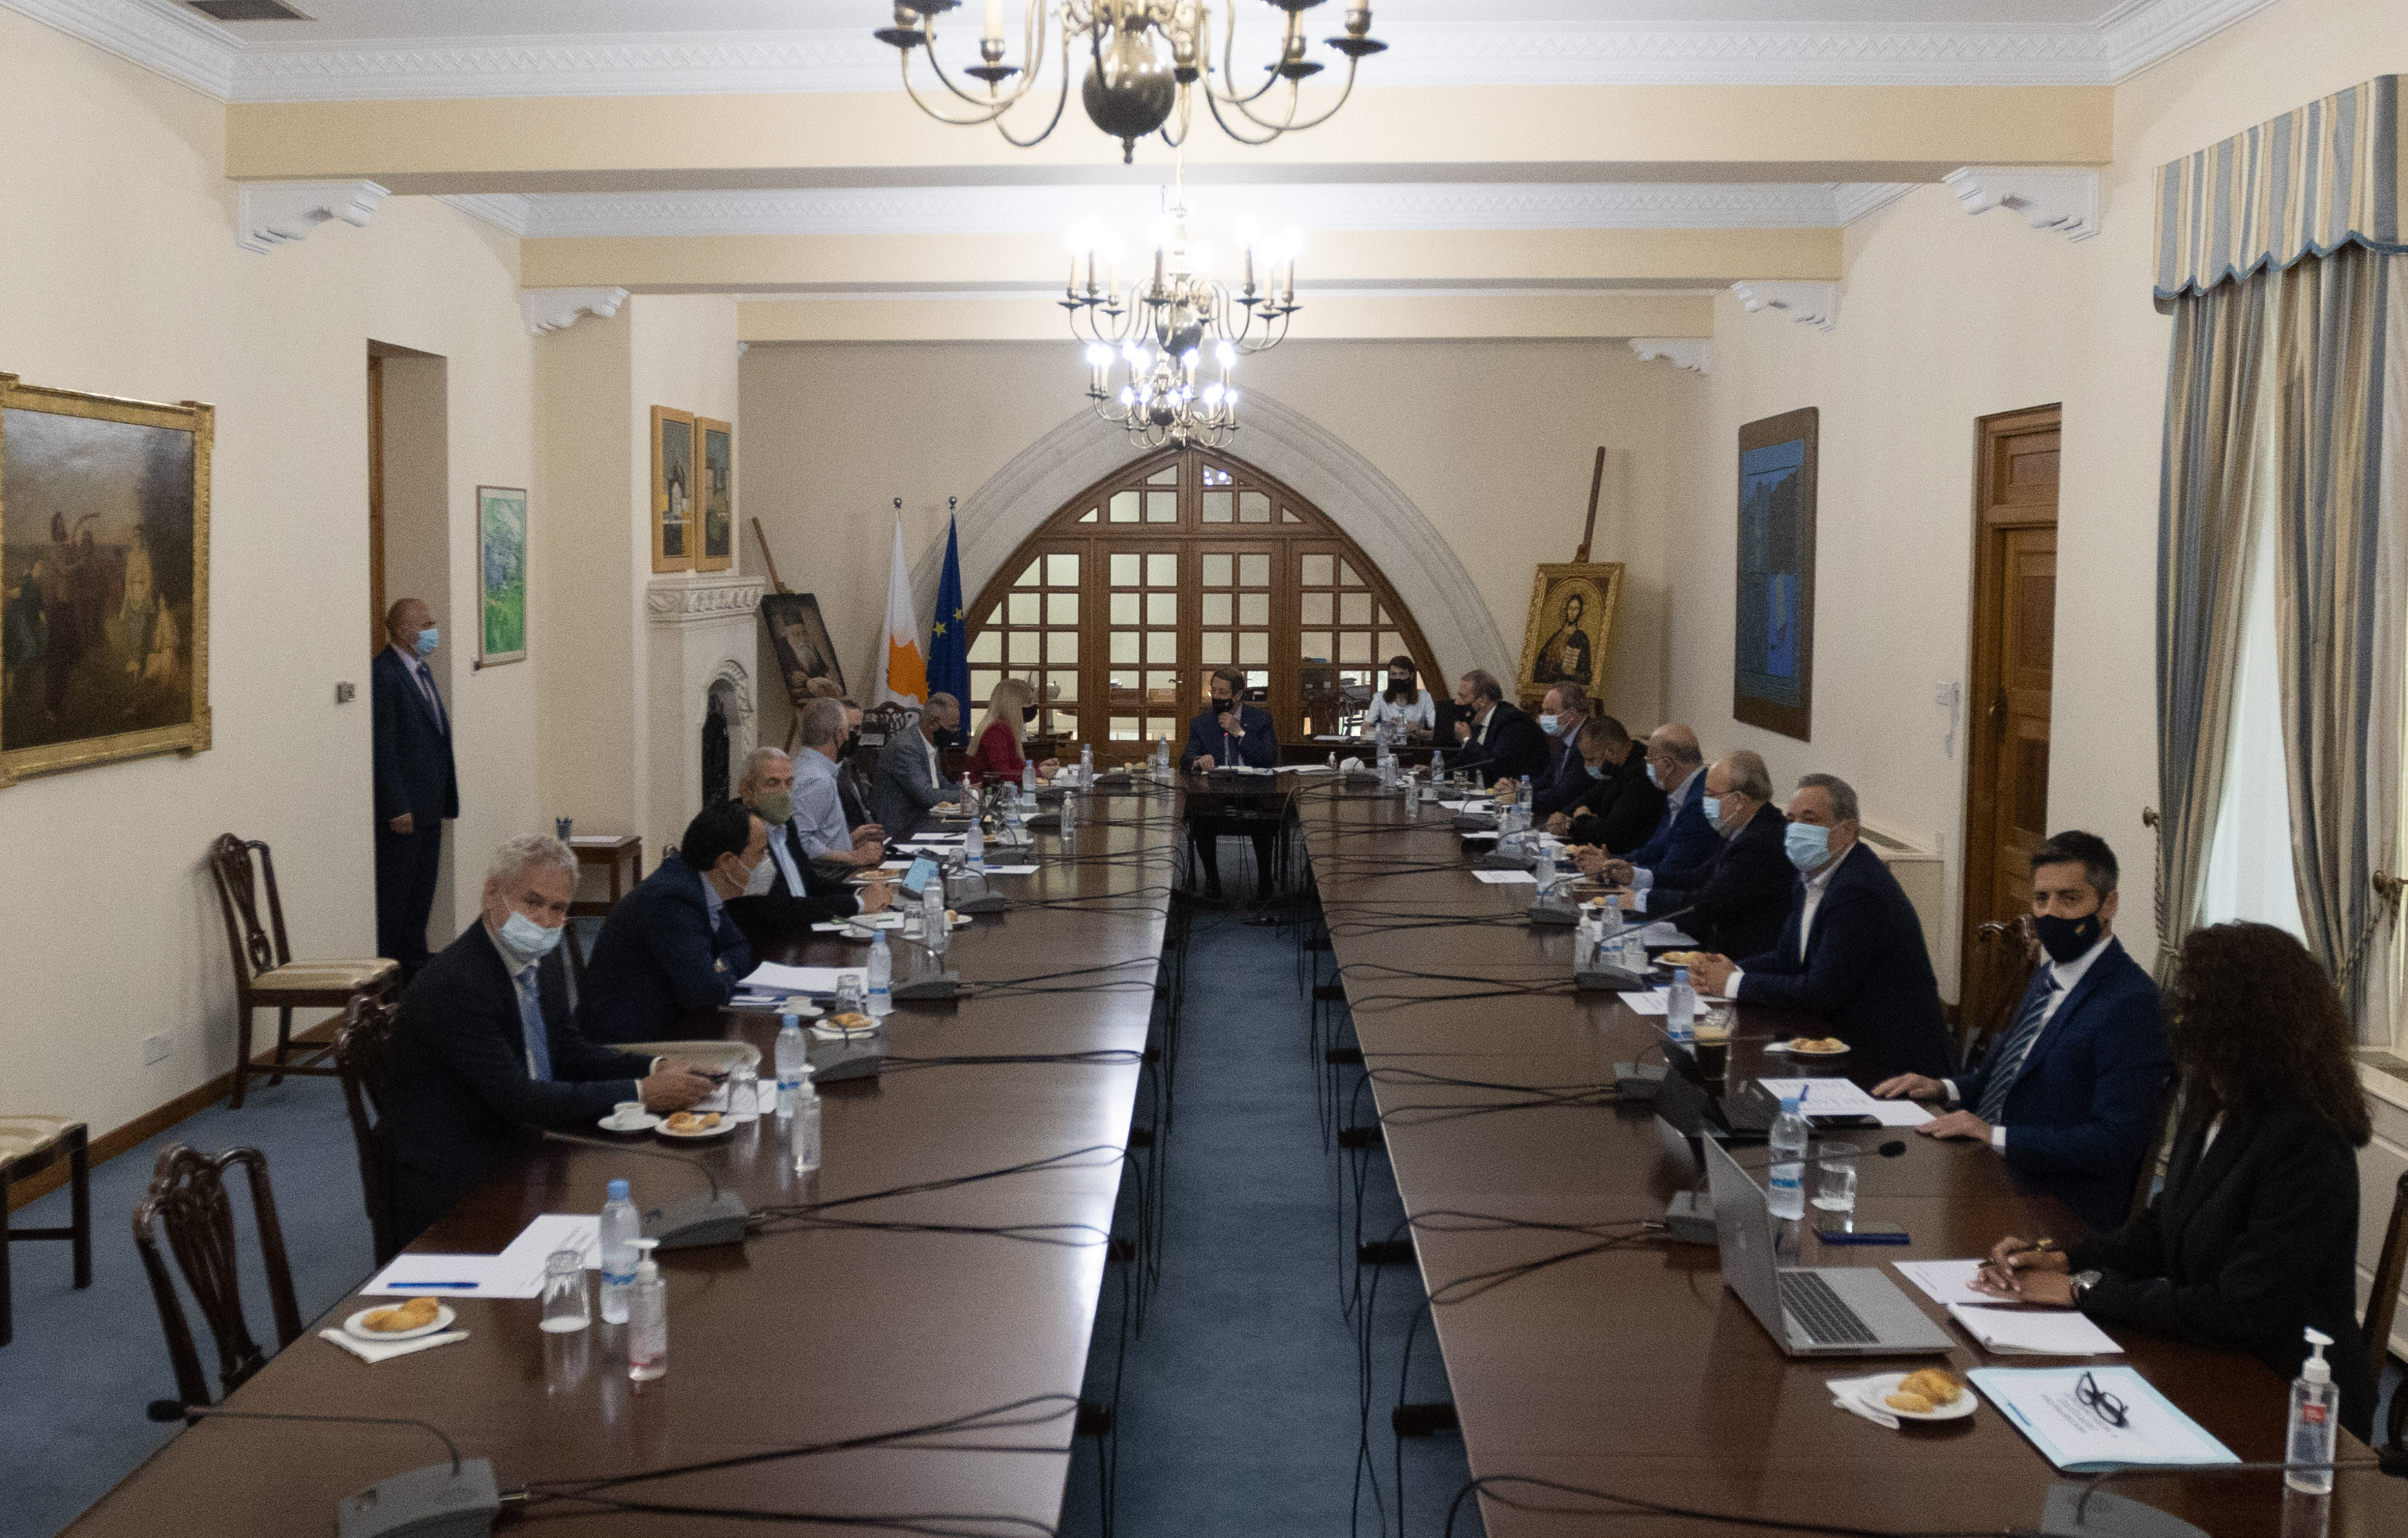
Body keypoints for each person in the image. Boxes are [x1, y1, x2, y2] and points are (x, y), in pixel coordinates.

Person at [1972, 921, 2378, 1442]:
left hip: (2290, 1404)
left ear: (2243, 1023)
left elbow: (2238, 1310)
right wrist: (2063, 1259)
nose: (2175, 1018)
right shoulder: (2215, 1099)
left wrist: (2083, 1291)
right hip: (2213, 1363)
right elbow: (2160, 1229)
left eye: (2191, 1006)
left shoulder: (2307, 1141)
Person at [381, 836, 716, 1246]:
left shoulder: (540, 957)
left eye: (558, 908)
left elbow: (569, 1051)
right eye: (532, 902)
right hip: (458, 1175)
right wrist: (641, 1092)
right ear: (492, 894)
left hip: (522, 1141)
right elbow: (519, 1098)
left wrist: (655, 1066)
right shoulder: (456, 983)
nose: (543, 920)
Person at [1874, 832, 2169, 1232]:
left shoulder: (2132, 1002)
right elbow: (2006, 1078)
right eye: (2041, 899)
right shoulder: (2049, 974)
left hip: (2052, 1201)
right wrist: (1944, 1088)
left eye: (2069, 899)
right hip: (1986, 1165)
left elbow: (2114, 1141)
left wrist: (1996, 1136)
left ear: (2108, 904)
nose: (2051, 913)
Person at [1687, 774, 1953, 1081]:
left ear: (1848, 830)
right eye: (1791, 819)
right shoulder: (1811, 875)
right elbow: (1787, 958)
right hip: (1833, 1041)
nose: (1796, 829)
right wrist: (1732, 968)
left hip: (1890, 1062)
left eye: (1810, 819)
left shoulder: (1859, 890)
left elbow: (1820, 992)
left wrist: (1733, 984)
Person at [577, 800, 763, 1045]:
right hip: (625, 1044)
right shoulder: (673, 898)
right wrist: (719, 968)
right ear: (728, 861)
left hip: (670, 1022)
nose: (766, 861)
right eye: (761, 853)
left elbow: (741, 947)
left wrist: (717, 966)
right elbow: (706, 992)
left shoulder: (704, 886)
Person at [1597, 751, 1790, 960]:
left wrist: (1640, 900)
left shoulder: (1762, 841)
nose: (1704, 801)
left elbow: (1709, 903)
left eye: (1711, 794)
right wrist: (1636, 877)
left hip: (1743, 959)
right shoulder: (1740, 826)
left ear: (1739, 800)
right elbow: (1699, 877)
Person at [722, 746, 891, 954]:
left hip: (804, 935)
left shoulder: (786, 825)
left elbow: (810, 885)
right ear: (746, 790)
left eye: (789, 783)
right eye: (772, 783)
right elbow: (780, 909)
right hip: (770, 947)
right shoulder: (744, 833)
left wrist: (861, 892)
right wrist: (858, 903)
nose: (783, 792)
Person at [371, 597, 459, 981]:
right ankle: (392, 977)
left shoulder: (421, 670)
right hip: (404, 811)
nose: (433, 629)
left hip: (430, 804)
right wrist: (396, 805)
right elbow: (384, 746)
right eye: (427, 624)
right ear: (406, 631)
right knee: (398, 896)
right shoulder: (384, 674)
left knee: (422, 894)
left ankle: (416, 970)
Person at [1180, 665, 1280, 901]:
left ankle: (1265, 881)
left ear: (1238, 695)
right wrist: (1198, 760)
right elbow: (1185, 759)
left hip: (1253, 791)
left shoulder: (1261, 719)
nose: (1217, 697)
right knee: (1201, 819)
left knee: (1264, 820)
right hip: (1215, 793)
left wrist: (1240, 733)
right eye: (1213, 691)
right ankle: (1212, 880)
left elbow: (1269, 758)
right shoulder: (1201, 723)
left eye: (1223, 693)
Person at [1593, 723, 1716, 882]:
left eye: (1650, 760)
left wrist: (1615, 872)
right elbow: (1655, 849)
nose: (1647, 766)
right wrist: (1612, 860)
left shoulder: (1700, 804)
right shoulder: (1677, 791)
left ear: (1668, 765)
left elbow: (1671, 872)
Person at [790, 698, 887, 870]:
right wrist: (854, 857)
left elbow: (819, 836)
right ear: (839, 734)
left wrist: (849, 840)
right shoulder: (817, 779)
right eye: (848, 730)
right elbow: (801, 843)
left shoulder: (812, 767)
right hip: (831, 877)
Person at [1548, 714, 1664, 855]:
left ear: (1611, 751)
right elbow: (1592, 797)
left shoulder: (1643, 775)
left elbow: (1611, 832)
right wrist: (1563, 816)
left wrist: (1580, 821)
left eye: (1591, 759)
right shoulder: (1618, 767)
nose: (1586, 765)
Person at [872, 692, 963, 842]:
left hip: (925, 824)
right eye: (952, 727)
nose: (955, 733)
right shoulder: (906, 747)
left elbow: (940, 783)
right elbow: (926, 795)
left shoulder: (929, 743)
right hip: (901, 832)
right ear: (933, 724)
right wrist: (968, 796)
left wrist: (968, 789)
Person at [1448, 670, 1549, 782]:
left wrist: (1467, 740)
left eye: (1464, 697)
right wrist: (1437, 771)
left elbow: (1496, 767)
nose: (1457, 702)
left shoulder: (1512, 722)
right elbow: (1464, 762)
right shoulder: (1476, 721)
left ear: (1483, 700)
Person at [965, 677, 1060, 785]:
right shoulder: (996, 732)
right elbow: (1003, 774)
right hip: (982, 790)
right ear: (1015, 705)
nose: (1033, 706)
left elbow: (1015, 764)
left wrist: (1038, 767)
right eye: (1029, 702)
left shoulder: (1005, 728)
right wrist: (1038, 772)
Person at [1522, 682, 1591, 820]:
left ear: (1571, 714)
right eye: (1543, 711)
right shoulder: (1563, 735)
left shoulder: (1590, 740)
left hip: (1573, 818)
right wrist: (1522, 788)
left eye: (1550, 712)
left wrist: (1523, 796)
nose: (1541, 718)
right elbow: (1549, 776)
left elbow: (1564, 795)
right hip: (1554, 814)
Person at [1363, 655, 1434, 738]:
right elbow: (1364, 729)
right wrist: (1389, 730)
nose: (1398, 678)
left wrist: (1419, 732)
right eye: (1393, 674)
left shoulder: (1424, 697)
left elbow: (1438, 732)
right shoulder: (1379, 697)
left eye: (1402, 674)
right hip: (1389, 743)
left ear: (1411, 676)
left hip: (1415, 743)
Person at [1534, 590, 1593, 686]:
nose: (1572, 612)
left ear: (1580, 612)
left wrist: (1573, 673)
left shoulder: (1581, 638)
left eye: (1576, 609)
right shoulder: (1556, 636)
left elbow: (1586, 675)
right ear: (1566, 610)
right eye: (1570, 608)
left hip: (1566, 687)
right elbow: (1541, 663)